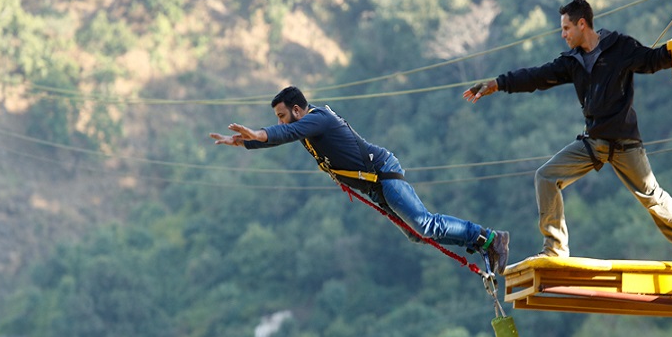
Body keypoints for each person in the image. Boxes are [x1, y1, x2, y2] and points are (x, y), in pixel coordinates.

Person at [464, 0, 672, 263]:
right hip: (593, 143)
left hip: (624, 143)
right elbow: (536, 76)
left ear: (582, 24)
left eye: (566, 28)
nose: (563, 34)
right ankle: (555, 248)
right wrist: (497, 83)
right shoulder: (572, 61)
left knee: (653, 196)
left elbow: (653, 60)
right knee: (545, 177)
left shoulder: (619, 47)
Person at [210, 86, 511, 273]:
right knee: (417, 234)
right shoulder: (306, 127)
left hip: (383, 173)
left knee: (424, 224)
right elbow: (284, 135)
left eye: (281, 115)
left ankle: (489, 238)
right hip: (375, 186)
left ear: (297, 110)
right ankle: (481, 243)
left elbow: (285, 133)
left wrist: (258, 133)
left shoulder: (318, 119)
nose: (279, 121)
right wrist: (245, 142)